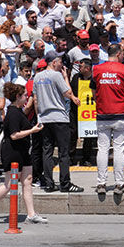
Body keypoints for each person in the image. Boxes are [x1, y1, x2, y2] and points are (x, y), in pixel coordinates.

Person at [0, 82, 48, 226]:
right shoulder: (13, 113)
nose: (27, 99)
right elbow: (14, 135)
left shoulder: (18, 111)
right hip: (13, 152)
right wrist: (32, 131)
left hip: (22, 151)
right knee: (9, 183)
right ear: (18, 97)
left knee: (27, 180)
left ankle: (31, 214)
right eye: (24, 96)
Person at [33, 55, 83, 193]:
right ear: (53, 62)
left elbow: (36, 99)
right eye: (60, 63)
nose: (62, 65)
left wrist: (39, 117)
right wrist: (66, 77)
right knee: (63, 152)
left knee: (47, 151)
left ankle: (49, 183)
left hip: (44, 117)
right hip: (59, 117)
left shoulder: (37, 77)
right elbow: (67, 92)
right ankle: (65, 183)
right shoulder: (56, 76)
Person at [91, 43, 124, 195]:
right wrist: (123, 103)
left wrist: (101, 103)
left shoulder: (96, 69)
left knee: (102, 149)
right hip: (121, 113)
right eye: (123, 53)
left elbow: (93, 90)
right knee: (119, 150)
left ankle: (101, 183)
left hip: (103, 113)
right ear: (118, 54)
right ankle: (119, 183)